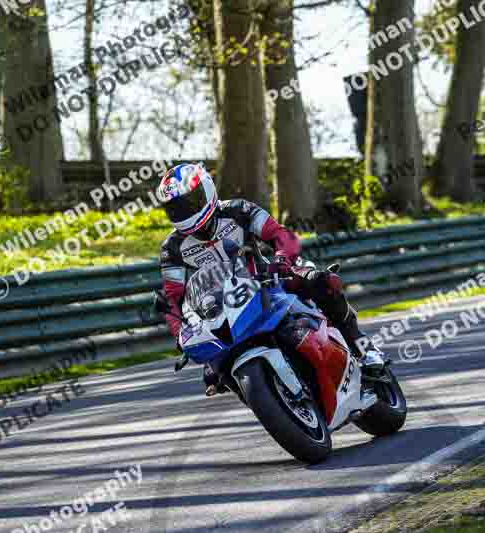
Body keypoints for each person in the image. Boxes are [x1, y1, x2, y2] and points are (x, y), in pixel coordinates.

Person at [156, 163, 385, 396]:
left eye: (189, 202)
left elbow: (280, 234)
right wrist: (180, 333)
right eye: (176, 208)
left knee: (321, 281)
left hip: (267, 281)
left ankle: (364, 347)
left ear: (207, 189)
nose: (184, 211)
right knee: (212, 372)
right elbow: (174, 297)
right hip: (221, 311)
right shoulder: (172, 248)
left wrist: (282, 260)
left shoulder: (238, 209)